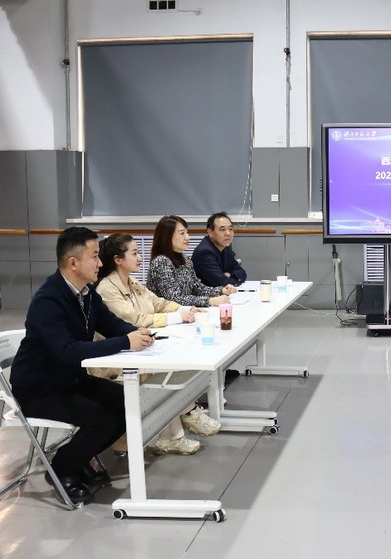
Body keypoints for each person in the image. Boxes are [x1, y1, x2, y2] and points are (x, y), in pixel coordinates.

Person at [10, 227, 153, 504]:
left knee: (129, 401)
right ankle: (61, 468)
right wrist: (126, 341)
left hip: (71, 380)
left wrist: (139, 333)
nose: (100, 262)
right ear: (73, 262)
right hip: (38, 389)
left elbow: (111, 324)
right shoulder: (48, 300)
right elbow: (68, 352)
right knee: (101, 417)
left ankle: (78, 459)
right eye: (95, 256)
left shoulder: (86, 292)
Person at [94, 233, 221, 455]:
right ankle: (183, 419)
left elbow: (158, 303)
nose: (140, 257)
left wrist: (185, 310)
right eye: (135, 253)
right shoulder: (107, 289)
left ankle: (179, 425)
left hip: (136, 348)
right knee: (166, 369)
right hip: (114, 360)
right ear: (118, 259)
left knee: (177, 361)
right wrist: (178, 317)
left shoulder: (132, 282)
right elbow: (136, 319)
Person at [146, 215, 237, 307]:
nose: (187, 237)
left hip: (185, 312)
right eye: (182, 233)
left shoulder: (185, 259)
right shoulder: (161, 262)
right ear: (167, 236)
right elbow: (173, 298)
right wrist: (209, 301)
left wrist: (221, 290)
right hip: (164, 314)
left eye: (187, 232)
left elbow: (197, 287)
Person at [192, 212, 247, 287]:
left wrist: (230, 274)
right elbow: (222, 282)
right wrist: (233, 278)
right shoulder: (204, 252)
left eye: (230, 229)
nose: (228, 233)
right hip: (207, 293)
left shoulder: (225, 247)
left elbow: (242, 273)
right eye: (222, 229)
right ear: (210, 232)